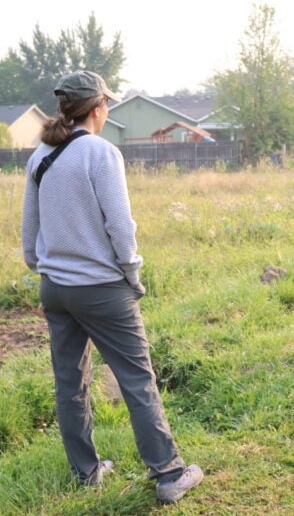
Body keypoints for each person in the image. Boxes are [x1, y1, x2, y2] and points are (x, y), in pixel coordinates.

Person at [21, 70, 203, 503]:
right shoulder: (101, 153)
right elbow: (119, 225)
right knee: (136, 379)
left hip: (55, 287)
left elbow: (30, 231)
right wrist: (131, 270)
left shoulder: (41, 156)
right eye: (107, 105)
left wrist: (43, 266)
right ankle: (168, 474)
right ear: (98, 108)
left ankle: (85, 473)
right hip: (101, 288)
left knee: (70, 383)